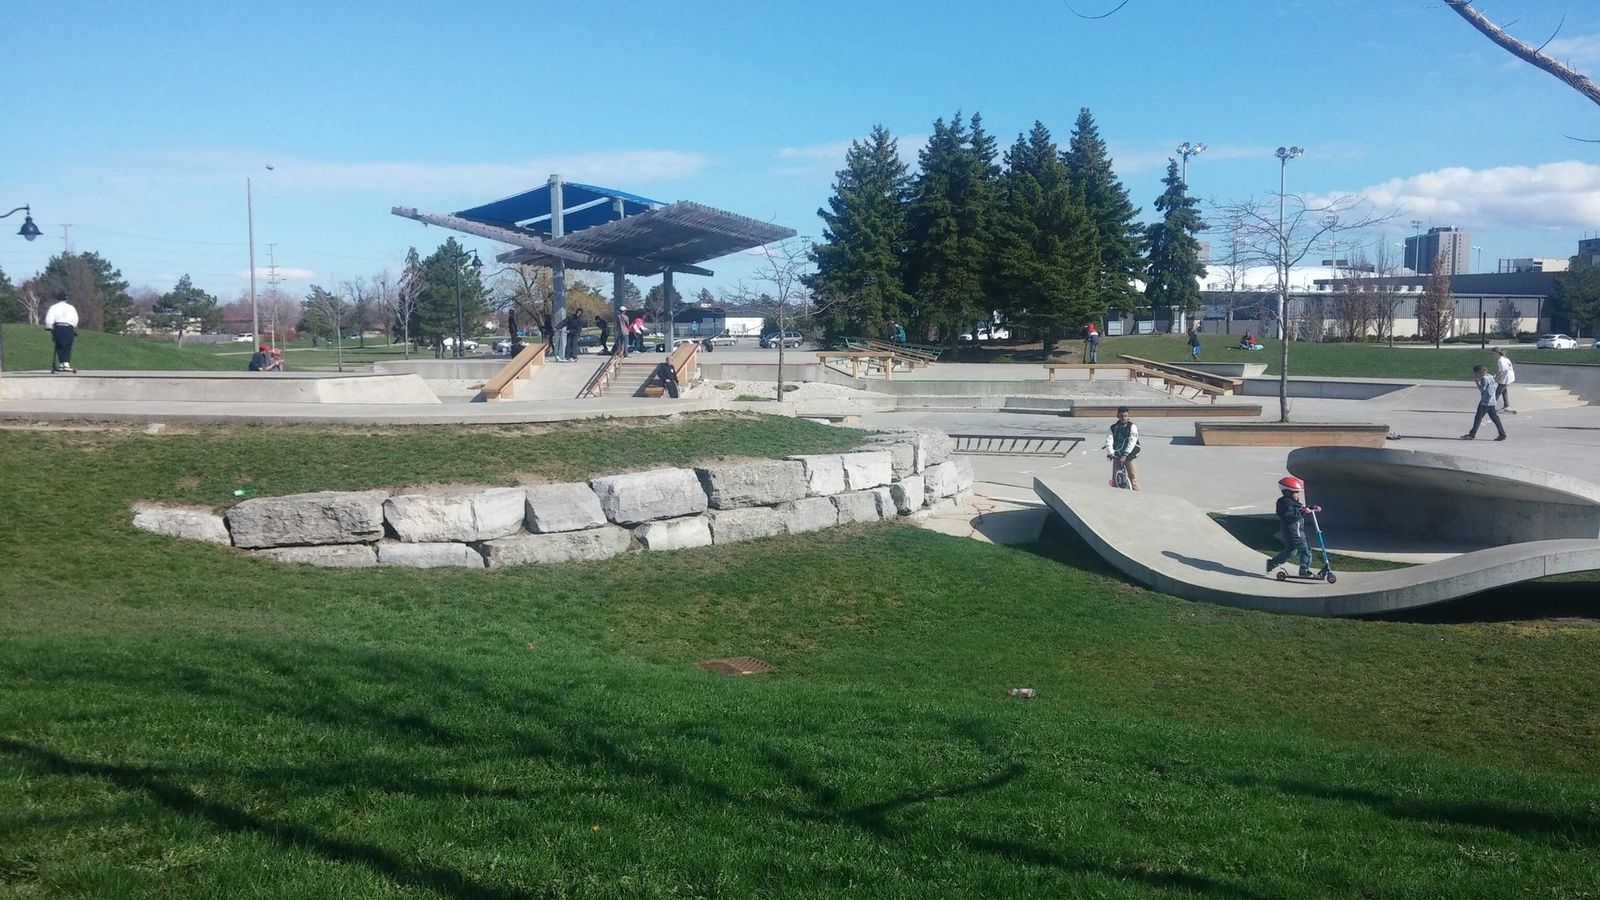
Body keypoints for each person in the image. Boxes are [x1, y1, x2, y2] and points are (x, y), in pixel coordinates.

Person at [1266, 476, 1320, 578]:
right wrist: (1303, 512)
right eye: (1296, 492)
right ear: (1287, 492)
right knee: (1306, 550)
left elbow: (1299, 510)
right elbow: (1290, 516)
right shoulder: (1286, 504)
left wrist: (1311, 508)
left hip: (1293, 532)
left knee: (1291, 551)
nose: (1298, 494)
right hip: (1295, 532)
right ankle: (1304, 570)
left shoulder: (1291, 503)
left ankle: (1271, 564)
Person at [1462, 364, 1507, 441]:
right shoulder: (1490, 376)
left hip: (1485, 402)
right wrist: (1499, 374)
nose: (1476, 375)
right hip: (1492, 401)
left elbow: (1482, 390)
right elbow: (1495, 379)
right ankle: (1502, 434)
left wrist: (1476, 382)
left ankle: (1472, 435)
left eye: (1476, 374)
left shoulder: (1484, 379)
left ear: (1479, 372)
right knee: (1495, 418)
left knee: (1478, 418)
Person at [1101, 405, 1140, 490]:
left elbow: (1132, 441)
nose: (1124, 418)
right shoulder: (1113, 428)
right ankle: (1116, 490)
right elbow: (1109, 440)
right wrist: (1110, 452)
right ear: (1117, 416)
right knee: (1115, 476)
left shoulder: (1132, 427)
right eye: (1121, 416)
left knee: (1132, 476)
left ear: (1128, 416)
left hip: (1129, 454)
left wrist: (1125, 454)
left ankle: (1136, 491)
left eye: (1126, 416)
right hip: (1117, 453)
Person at [43, 298, 79, 373]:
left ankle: (62, 363)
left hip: (58, 327)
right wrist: (73, 326)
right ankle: (65, 363)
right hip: (69, 327)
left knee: (59, 345)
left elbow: (49, 318)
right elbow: (75, 319)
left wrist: (49, 326)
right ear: (66, 299)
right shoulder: (71, 307)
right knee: (68, 345)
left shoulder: (54, 307)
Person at [1493, 348, 1516, 414]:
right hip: (1510, 377)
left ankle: (1490, 407)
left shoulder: (1500, 360)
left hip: (1506, 378)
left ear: (1497, 353)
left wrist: (1495, 378)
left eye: (1494, 353)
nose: (1493, 355)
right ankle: (1506, 406)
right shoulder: (1505, 358)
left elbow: (1502, 372)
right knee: (1504, 391)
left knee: (1497, 393)